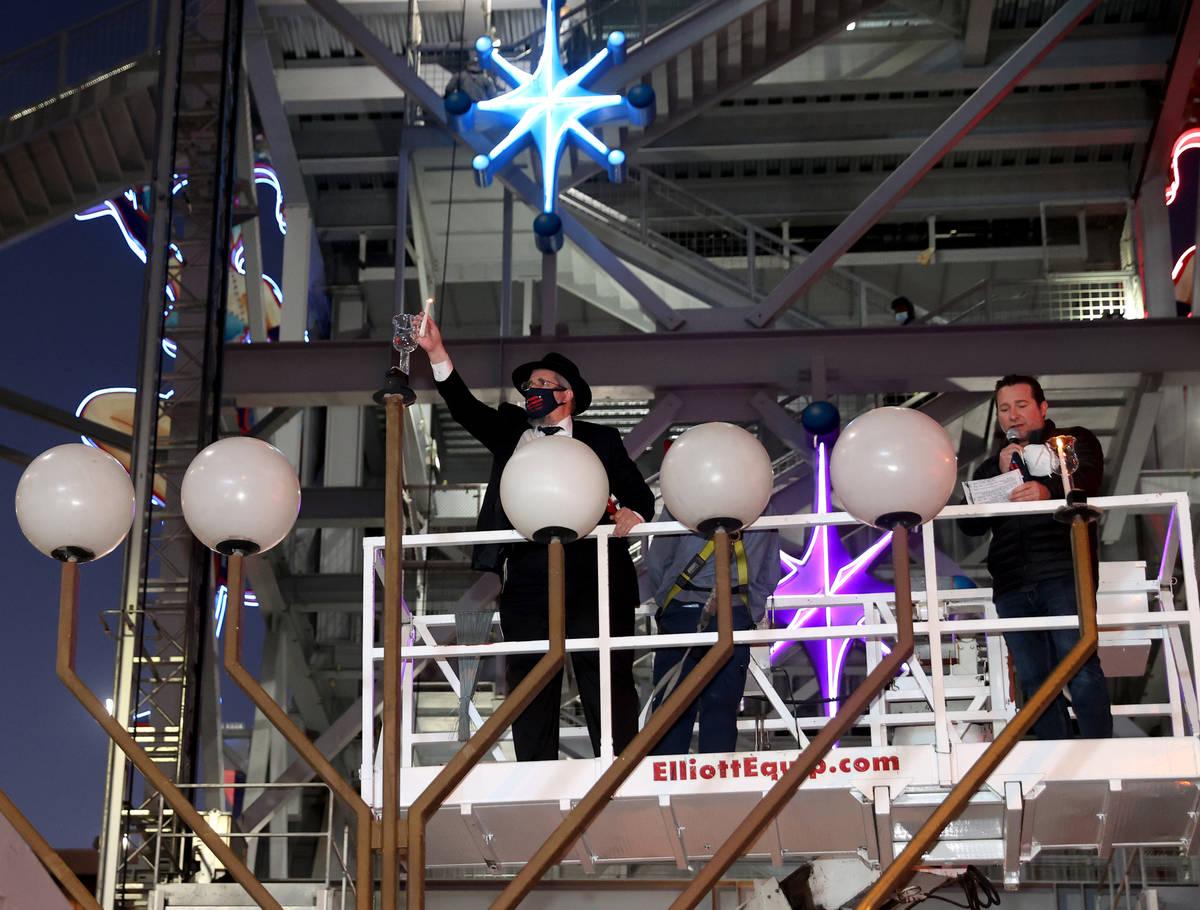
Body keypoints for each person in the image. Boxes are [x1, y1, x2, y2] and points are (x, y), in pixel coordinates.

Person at [414, 313, 653, 761]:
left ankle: (621, 765)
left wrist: (633, 512)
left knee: (604, 670)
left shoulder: (601, 439)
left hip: (594, 574)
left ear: (566, 395)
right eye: (529, 385)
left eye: (544, 382)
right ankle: (535, 771)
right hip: (527, 573)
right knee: (529, 675)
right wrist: (436, 354)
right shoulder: (511, 433)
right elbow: (464, 408)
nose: (533, 390)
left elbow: (639, 492)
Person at [960, 374, 1112, 740]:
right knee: (1033, 678)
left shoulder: (1071, 442)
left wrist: (1047, 490)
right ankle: (1057, 757)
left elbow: (1088, 479)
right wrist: (996, 473)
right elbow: (969, 527)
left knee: (1080, 666)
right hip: (1011, 583)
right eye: (1004, 409)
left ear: (1043, 408)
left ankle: (1100, 751)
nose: (1013, 416)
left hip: (1064, 573)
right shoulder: (991, 464)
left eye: (1022, 405)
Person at [646, 506, 781, 754]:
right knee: (721, 708)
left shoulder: (682, 491)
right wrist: (750, 607)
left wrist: (668, 598)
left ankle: (666, 789)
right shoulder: (761, 499)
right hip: (735, 615)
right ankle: (715, 786)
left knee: (671, 713)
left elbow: (657, 560)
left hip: (682, 612)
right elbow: (769, 570)